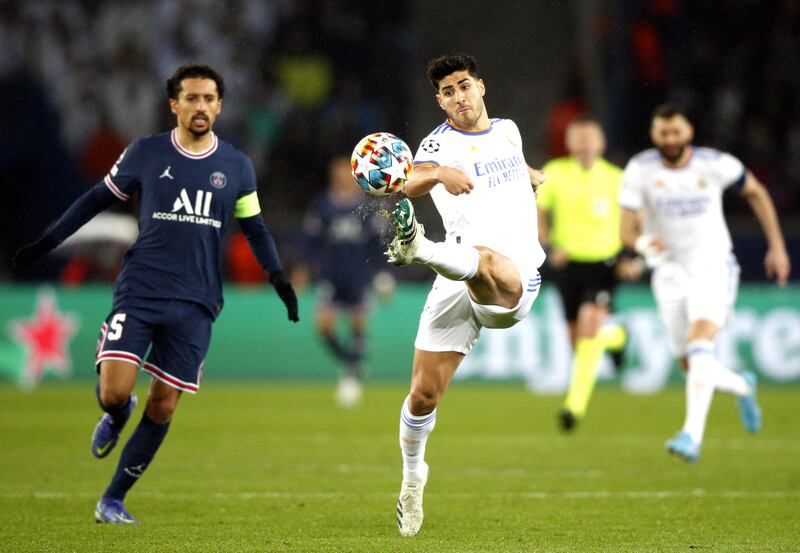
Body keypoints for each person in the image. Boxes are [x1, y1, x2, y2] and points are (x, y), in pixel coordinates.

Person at [13, 64, 299, 523]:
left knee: (164, 403)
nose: (200, 106)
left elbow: (256, 228)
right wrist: (47, 242)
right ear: (175, 104)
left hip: (198, 301)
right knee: (114, 392)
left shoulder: (237, 166)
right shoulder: (145, 153)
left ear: (220, 105)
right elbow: (94, 199)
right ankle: (116, 411)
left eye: (208, 98)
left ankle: (112, 499)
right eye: (191, 98)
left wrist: (278, 278)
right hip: (142, 289)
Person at [385, 53, 546, 537]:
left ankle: (419, 248)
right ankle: (413, 480)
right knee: (422, 395)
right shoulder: (437, 144)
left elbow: (511, 164)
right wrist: (438, 175)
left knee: (489, 259)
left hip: (515, 274)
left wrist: (531, 175)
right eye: (448, 92)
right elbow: (407, 182)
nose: (459, 97)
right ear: (440, 101)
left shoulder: (509, 130)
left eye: (464, 86)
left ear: (481, 86)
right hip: (455, 276)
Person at [619, 103, 790, 463]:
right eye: (663, 133)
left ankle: (690, 435)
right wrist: (643, 244)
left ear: (689, 132)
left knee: (700, 343)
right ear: (654, 135)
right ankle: (743, 386)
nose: (670, 139)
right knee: (691, 364)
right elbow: (626, 231)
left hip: (712, 267)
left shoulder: (714, 164)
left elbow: (756, 192)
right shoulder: (640, 169)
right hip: (668, 273)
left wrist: (776, 246)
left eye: (676, 131)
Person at [538, 116, 643, 432]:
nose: (584, 144)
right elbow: (539, 214)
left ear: (601, 143)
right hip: (569, 266)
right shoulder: (554, 173)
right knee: (580, 345)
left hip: (603, 265)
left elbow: (635, 222)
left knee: (587, 327)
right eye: (578, 139)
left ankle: (573, 407)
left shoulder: (617, 178)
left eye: (590, 138)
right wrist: (548, 245)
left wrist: (632, 257)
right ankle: (617, 337)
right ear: (569, 143)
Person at [294, 155, 394, 407]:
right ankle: (352, 363)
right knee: (324, 327)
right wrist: (303, 268)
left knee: (358, 326)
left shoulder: (367, 206)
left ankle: (352, 375)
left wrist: (383, 274)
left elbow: (378, 242)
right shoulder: (324, 205)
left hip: (359, 274)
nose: (344, 177)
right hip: (330, 274)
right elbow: (310, 239)